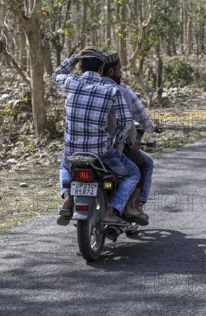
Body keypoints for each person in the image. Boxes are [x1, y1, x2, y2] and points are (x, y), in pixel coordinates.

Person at [53, 47, 148, 227]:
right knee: (133, 173)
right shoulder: (111, 90)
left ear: (81, 68)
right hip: (101, 152)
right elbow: (126, 122)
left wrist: (73, 58)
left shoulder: (71, 82)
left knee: (64, 164)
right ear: (102, 70)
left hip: (72, 150)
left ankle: (67, 197)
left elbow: (56, 74)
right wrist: (117, 142)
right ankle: (111, 211)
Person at [100, 50, 156, 209]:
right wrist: (150, 128)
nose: (121, 73)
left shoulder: (83, 88)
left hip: (83, 147)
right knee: (144, 165)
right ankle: (133, 204)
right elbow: (141, 118)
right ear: (111, 71)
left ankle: (68, 201)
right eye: (119, 69)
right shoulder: (121, 91)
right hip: (113, 148)